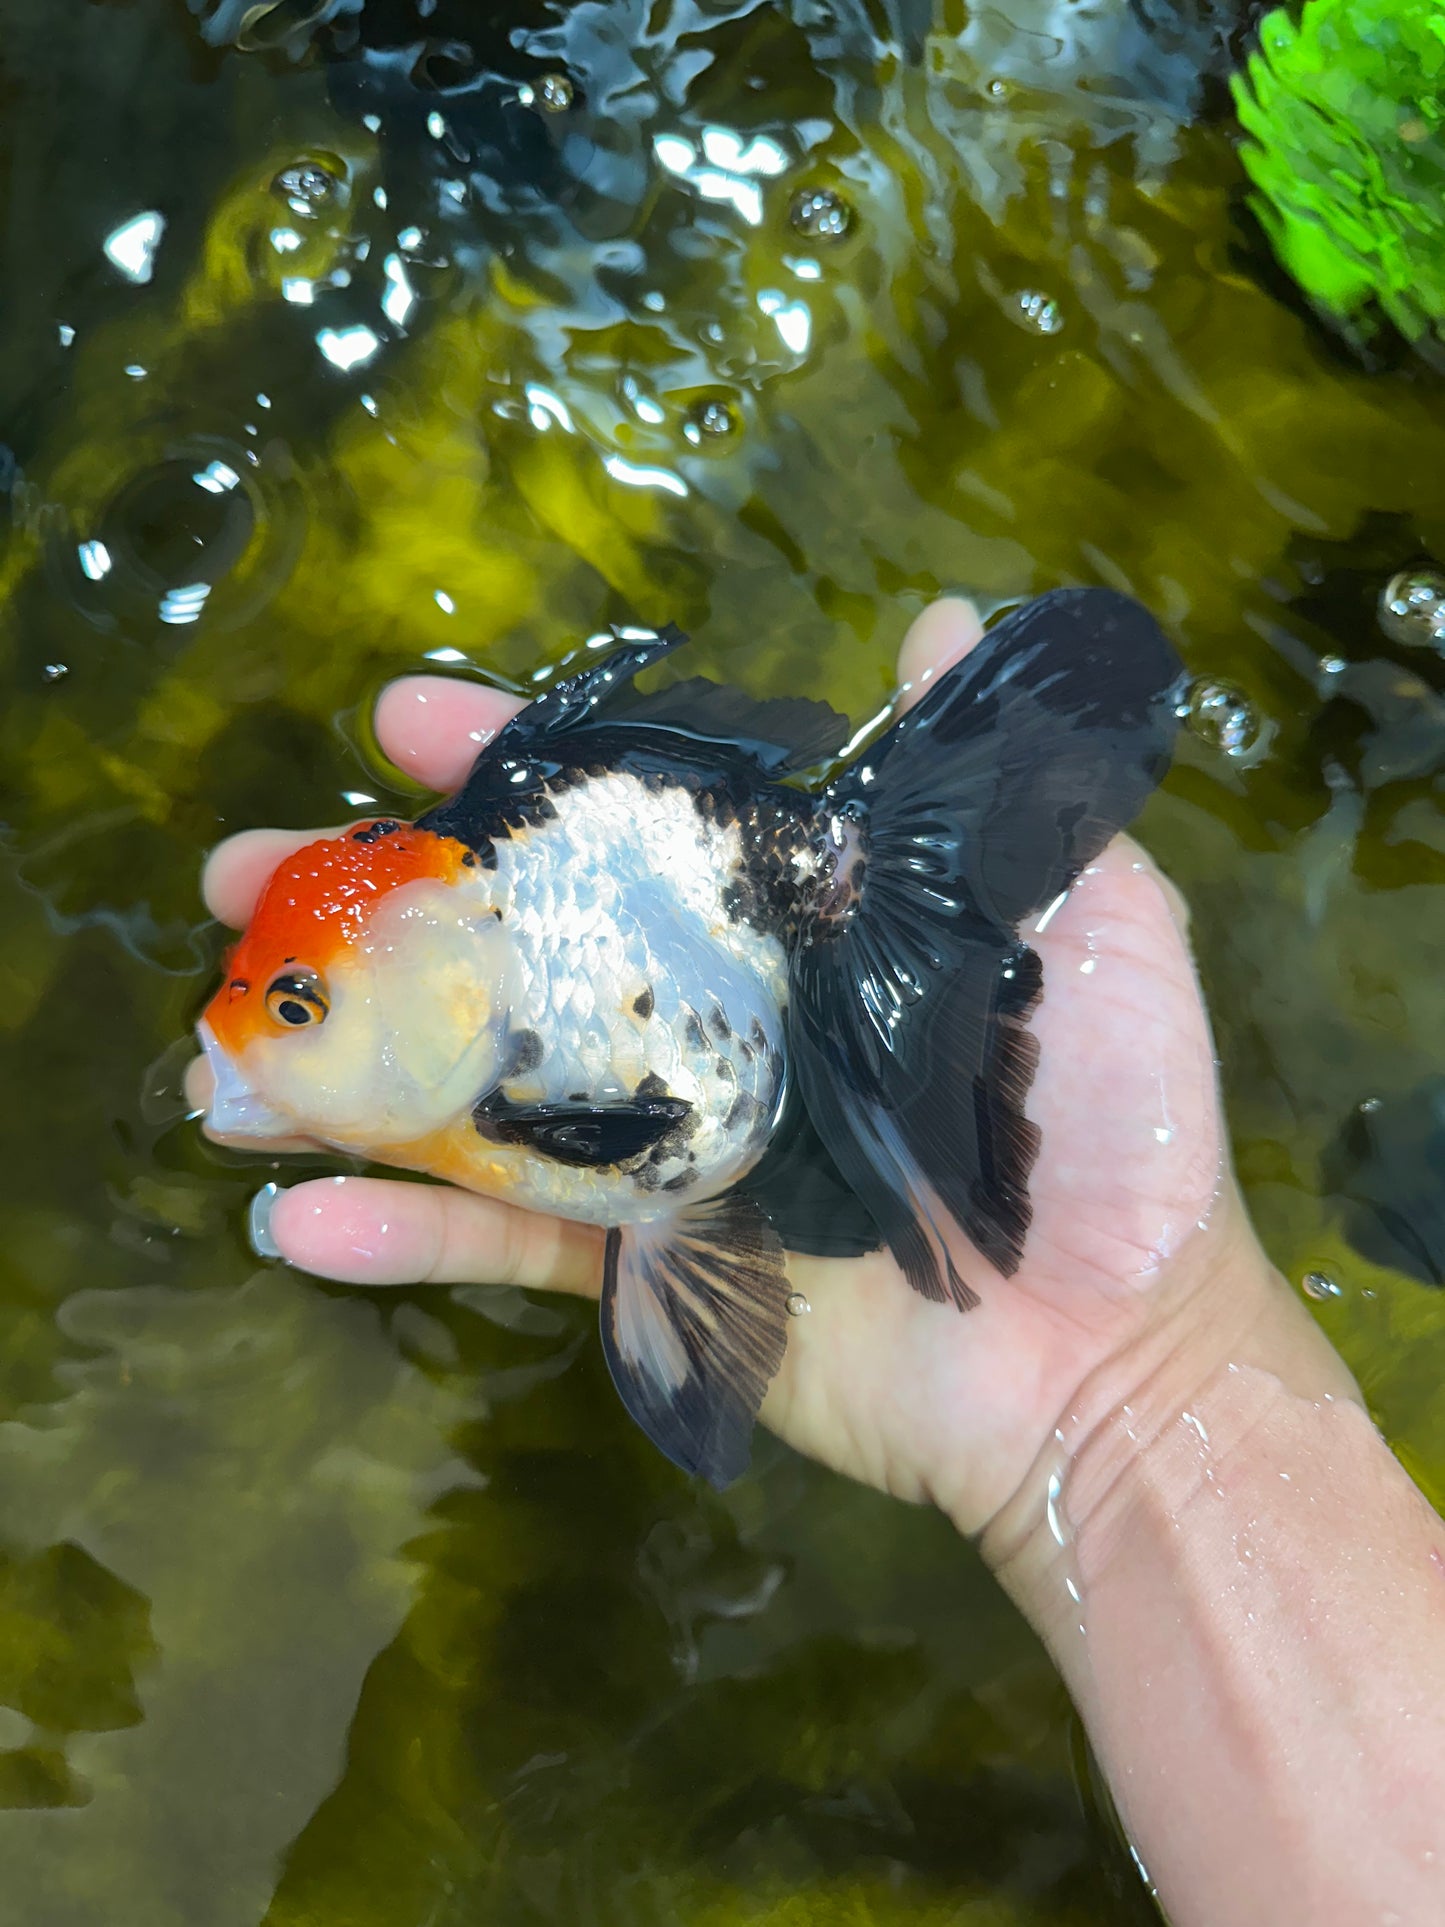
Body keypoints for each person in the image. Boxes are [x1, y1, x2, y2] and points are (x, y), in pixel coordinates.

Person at [192, 597, 1445, 1927]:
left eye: (295, 1005)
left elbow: (633, 1134)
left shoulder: (526, 1028)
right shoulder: (481, 1045)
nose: (257, 1032)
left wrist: (1130, 1379)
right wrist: (1135, 1394)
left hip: (728, 971)